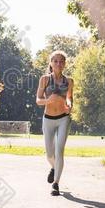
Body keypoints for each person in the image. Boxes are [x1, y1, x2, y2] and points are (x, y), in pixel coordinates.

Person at [36, 50, 74, 196]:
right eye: (56, 61)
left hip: (63, 118)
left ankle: (56, 183)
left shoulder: (69, 81)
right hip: (48, 119)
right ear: (51, 63)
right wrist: (48, 100)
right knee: (50, 154)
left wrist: (69, 104)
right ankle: (53, 167)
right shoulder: (44, 79)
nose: (59, 63)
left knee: (59, 151)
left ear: (64, 64)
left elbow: (70, 98)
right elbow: (38, 100)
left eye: (62, 61)